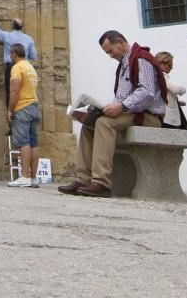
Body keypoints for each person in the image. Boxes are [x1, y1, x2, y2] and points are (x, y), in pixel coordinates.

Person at [58, 31, 165, 197]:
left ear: (120, 42)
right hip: (131, 112)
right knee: (90, 125)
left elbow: (147, 93)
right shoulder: (125, 64)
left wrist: (120, 106)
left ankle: (101, 183)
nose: (110, 55)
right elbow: (123, 98)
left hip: (148, 116)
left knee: (104, 123)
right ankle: (83, 178)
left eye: (110, 51)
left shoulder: (141, 58)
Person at [7, 42, 41, 187]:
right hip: (34, 106)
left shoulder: (17, 68)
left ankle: (25, 176)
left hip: (22, 107)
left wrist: (10, 109)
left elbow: (15, 91)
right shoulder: (30, 67)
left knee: (23, 142)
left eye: (11, 53)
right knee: (34, 143)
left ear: (14, 53)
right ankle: (34, 178)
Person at [0, 11, 36, 103]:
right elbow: (33, 56)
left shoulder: (7, 36)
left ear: (12, 26)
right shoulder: (29, 39)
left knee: (11, 91)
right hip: (25, 67)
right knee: (24, 91)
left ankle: (10, 113)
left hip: (11, 67)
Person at [154, 52, 187, 130]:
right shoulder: (162, 76)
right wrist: (184, 90)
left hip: (161, 116)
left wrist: (177, 102)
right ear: (162, 63)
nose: (171, 68)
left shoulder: (153, 76)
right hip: (168, 118)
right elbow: (177, 89)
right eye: (169, 65)